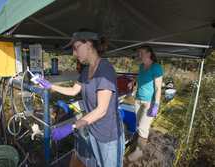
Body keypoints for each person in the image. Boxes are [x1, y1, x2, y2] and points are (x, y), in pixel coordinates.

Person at [35, 28, 125, 167]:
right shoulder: (86, 70)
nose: (74, 53)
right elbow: (73, 90)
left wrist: (71, 127)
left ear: (88, 45)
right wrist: (49, 86)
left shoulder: (105, 69)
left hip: (109, 134)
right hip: (94, 130)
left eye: (75, 48)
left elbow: (101, 110)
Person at [122, 45, 163, 162]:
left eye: (142, 53)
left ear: (149, 53)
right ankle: (141, 140)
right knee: (140, 124)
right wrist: (129, 77)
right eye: (138, 54)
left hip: (149, 102)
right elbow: (139, 79)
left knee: (143, 127)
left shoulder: (156, 67)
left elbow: (158, 88)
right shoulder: (141, 66)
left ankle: (139, 151)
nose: (139, 56)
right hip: (138, 99)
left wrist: (156, 105)